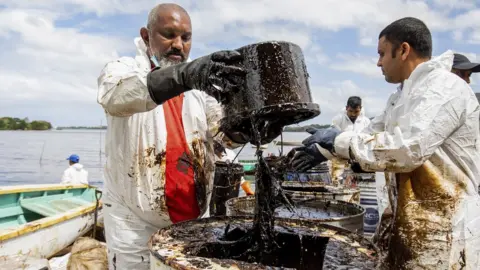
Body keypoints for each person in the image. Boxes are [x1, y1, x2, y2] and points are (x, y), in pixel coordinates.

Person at [289, 17, 480, 269]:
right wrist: (323, 149)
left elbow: (407, 149)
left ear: (403, 50)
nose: (378, 62)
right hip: (412, 222)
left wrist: (338, 141)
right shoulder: (400, 97)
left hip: (446, 230)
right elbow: (370, 132)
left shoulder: (445, 89)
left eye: (381, 53)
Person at [96, 3, 258, 269]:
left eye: (186, 37)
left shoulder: (199, 92)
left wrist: (249, 129)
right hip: (134, 222)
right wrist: (184, 75)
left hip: (192, 218)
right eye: (168, 34)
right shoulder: (123, 70)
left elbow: (224, 137)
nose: (178, 45)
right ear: (147, 36)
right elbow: (115, 97)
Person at [330, 96, 371, 186]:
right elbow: (333, 136)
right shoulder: (338, 119)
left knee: (359, 182)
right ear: (346, 108)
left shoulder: (366, 121)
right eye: (350, 111)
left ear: (360, 108)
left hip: (358, 157)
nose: (353, 114)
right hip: (341, 156)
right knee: (338, 181)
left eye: (356, 111)